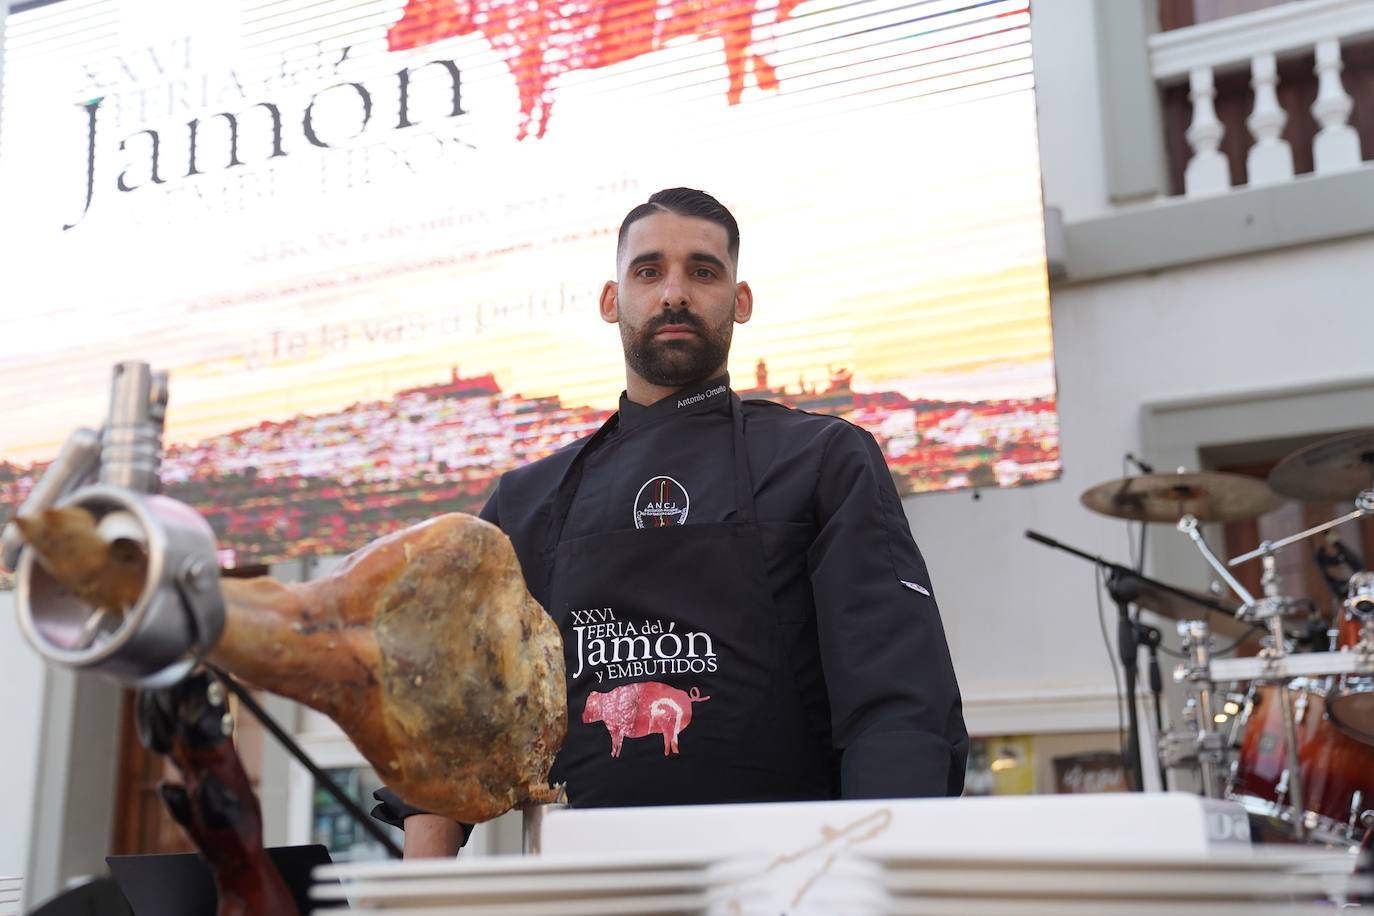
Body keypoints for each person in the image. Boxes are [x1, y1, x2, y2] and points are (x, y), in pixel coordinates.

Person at [374, 188, 968, 857]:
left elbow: (897, 702)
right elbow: (451, 716)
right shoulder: (527, 501)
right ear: (612, 300)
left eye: (704, 272)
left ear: (740, 302)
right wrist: (420, 891)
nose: (675, 293)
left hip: (788, 878)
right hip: (581, 883)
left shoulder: (822, 459)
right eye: (649, 271)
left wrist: (877, 880)